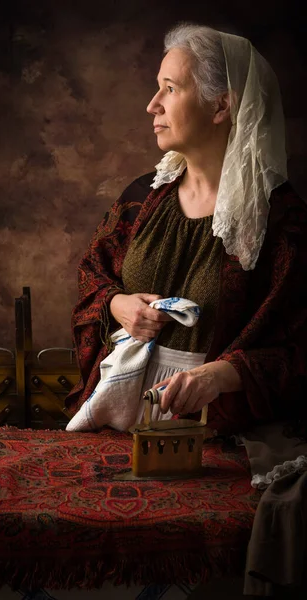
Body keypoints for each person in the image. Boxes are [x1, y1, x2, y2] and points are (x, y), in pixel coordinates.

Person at [64, 23, 307, 435]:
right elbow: (92, 274)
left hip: (219, 438)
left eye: (170, 88)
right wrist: (117, 304)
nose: (152, 105)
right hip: (119, 426)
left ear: (221, 107)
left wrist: (221, 376)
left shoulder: (281, 222)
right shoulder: (142, 198)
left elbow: (300, 351)